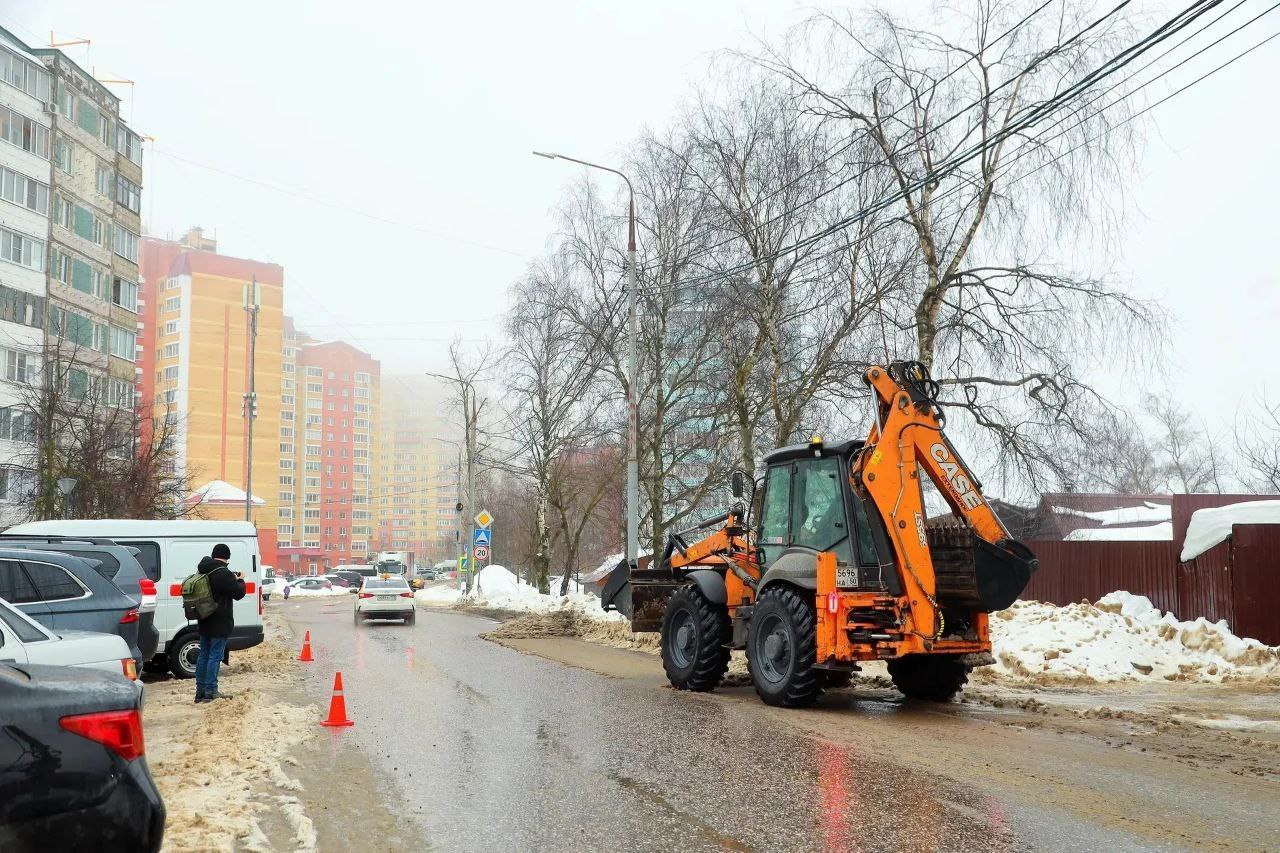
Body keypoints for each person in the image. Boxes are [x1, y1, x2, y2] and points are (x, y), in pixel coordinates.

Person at [194, 543, 246, 703]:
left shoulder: (203, 570)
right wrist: (241, 580)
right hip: (219, 622)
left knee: (203, 655)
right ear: (227, 557)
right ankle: (211, 691)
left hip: (204, 620)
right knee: (215, 656)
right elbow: (238, 593)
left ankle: (200, 691)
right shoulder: (223, 573)